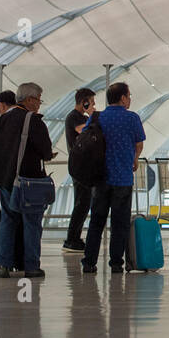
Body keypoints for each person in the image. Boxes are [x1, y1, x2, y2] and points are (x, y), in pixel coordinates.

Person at [0, 82, 55, 279]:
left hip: (5, 179)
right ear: (29, 100)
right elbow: (45, 151)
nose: (39, 104)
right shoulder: (33, 121)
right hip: (27, 181)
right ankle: (31, 266)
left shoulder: (3, 119)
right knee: (32, 222)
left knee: (7, 221)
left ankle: (4, 265)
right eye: (38, 100)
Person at [82, 82, 145, 274]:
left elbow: (85, 139)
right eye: (129, 95)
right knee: (120, 223)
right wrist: (134, 159)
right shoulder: (132, 118)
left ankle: (89, 262)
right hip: (123, 178)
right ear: (123, 98)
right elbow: (139, 143)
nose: (130, 99)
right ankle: (116, 262)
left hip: (100, 177)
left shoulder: (96, 117)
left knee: (97, 221)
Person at [62, 88, 97, 255]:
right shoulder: (74, 117)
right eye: (91, 101)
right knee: (82, 203)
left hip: (84, 165)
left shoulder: (80, 117)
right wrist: (91, 115)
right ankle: (71, 238)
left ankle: (74, 237)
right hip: (78, 166)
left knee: (83, 203)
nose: (93, 105)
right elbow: (83, 130)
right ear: (84, 101)